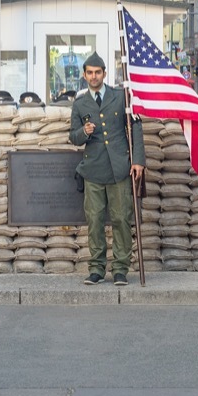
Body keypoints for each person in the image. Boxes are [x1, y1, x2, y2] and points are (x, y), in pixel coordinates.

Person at [68, 51, 145, 286]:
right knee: (95, 219)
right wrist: (84, 132)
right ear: (84, 75)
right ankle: (97, 268)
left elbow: (135, 127)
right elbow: (73, 137)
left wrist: (138, 160)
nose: (94, 76)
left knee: (122, 218)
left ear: (104, 73)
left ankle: (121, 269)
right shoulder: (80, 103)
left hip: (120, 167)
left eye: (97, 72)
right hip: (93, 169)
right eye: (90, 73)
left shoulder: (121, 96)